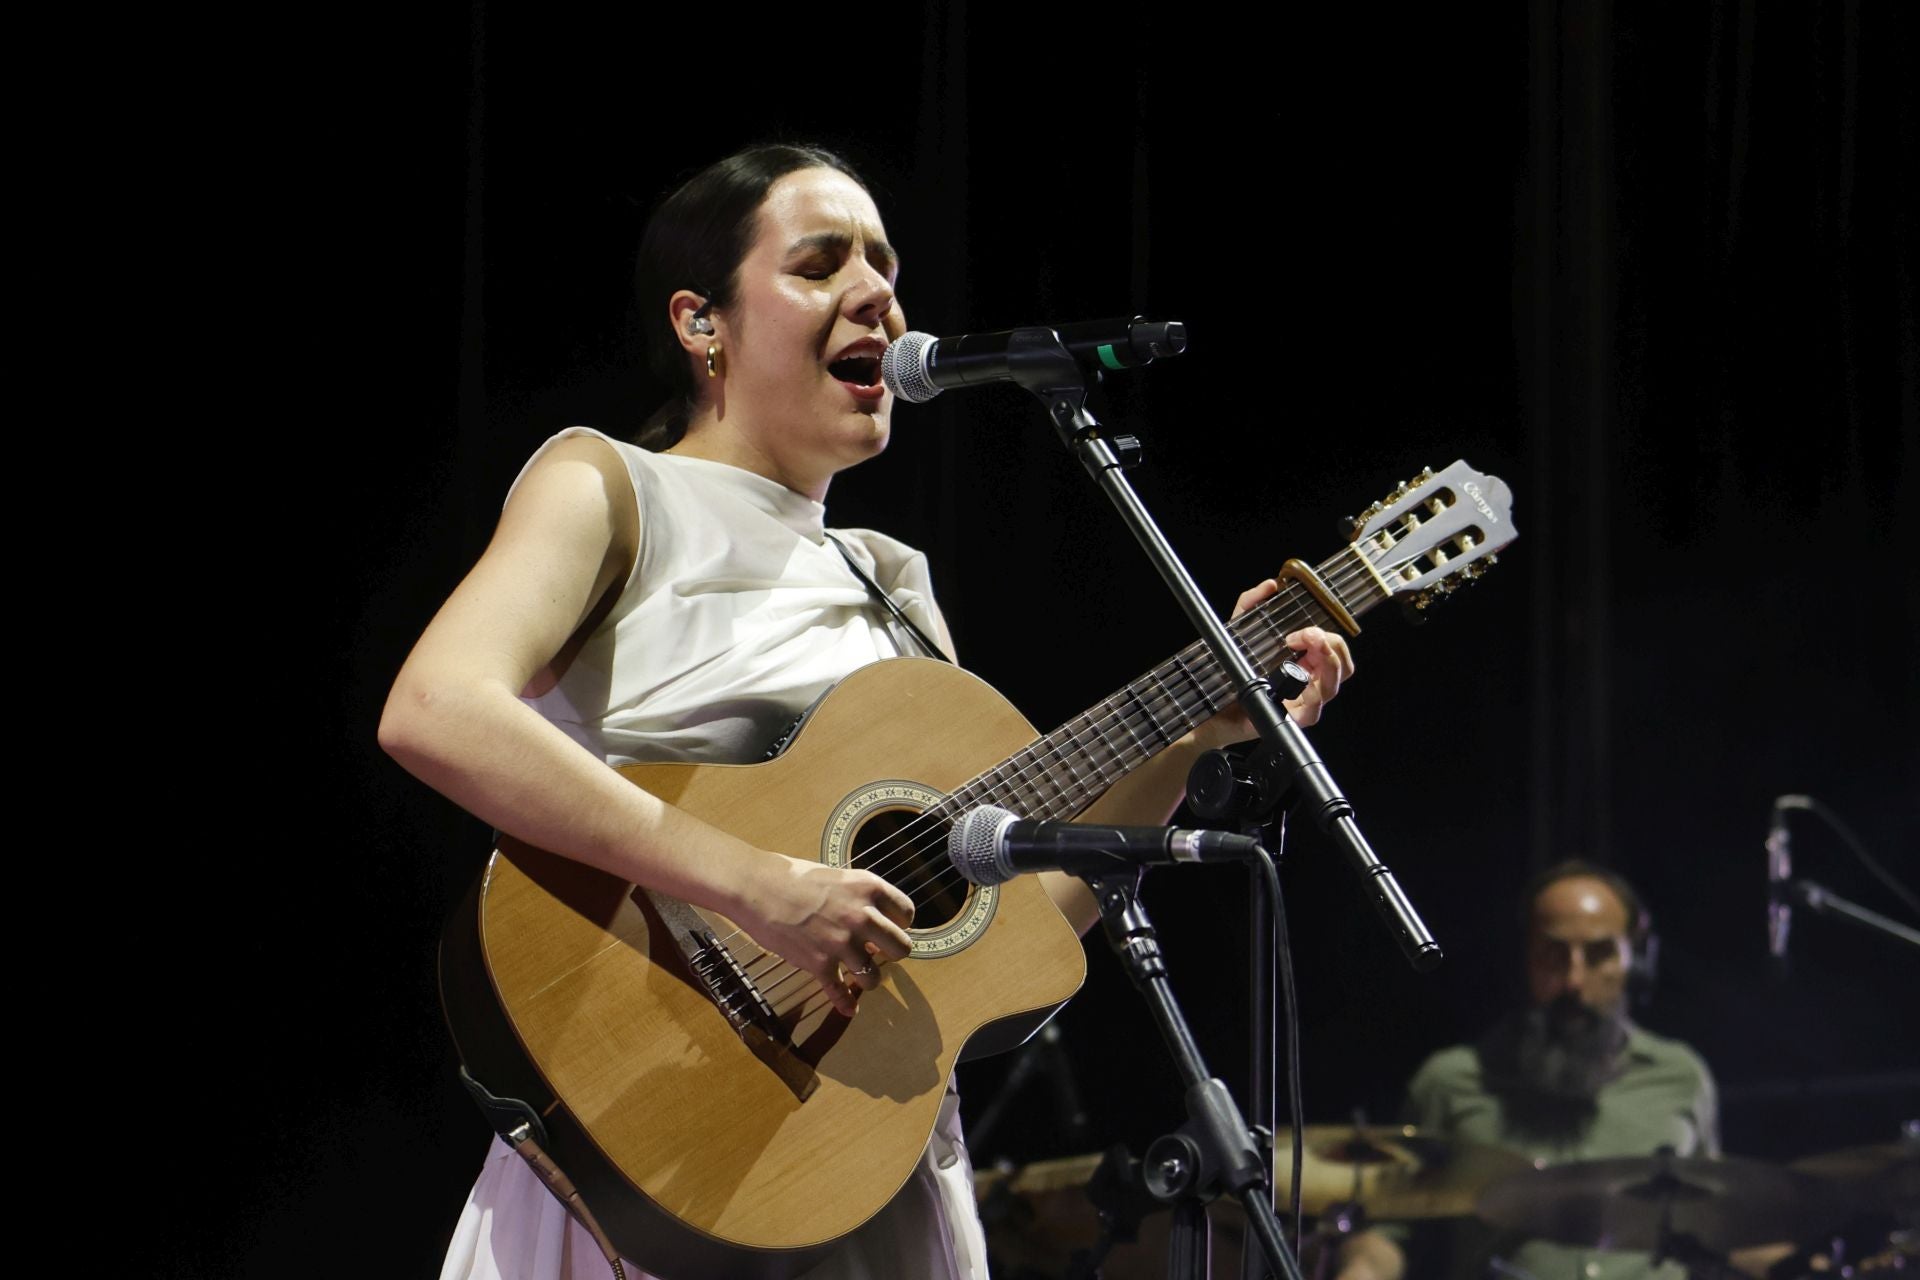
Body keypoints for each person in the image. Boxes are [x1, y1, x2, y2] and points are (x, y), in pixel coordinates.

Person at [379, 142, 1355, 1280]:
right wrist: (758, 886)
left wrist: (1199, 735)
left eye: (886, 262)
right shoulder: (613, 488)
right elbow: (436, 707)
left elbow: (1009, 929)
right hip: (654, 1129)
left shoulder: (893, 582)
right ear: (705, 324)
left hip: (865, 1161)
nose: (878, 291)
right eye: (820, 262)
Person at [1336, 862, 1719, 1280]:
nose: (1574, 979)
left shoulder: (1683, 1077)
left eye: (1599, 954)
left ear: (1637, 957)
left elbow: (1724, 1221)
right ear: (1525, 957)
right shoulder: (1450, 1081)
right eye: (1554, 955)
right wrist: (1359, 1269)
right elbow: (1389, 1231)